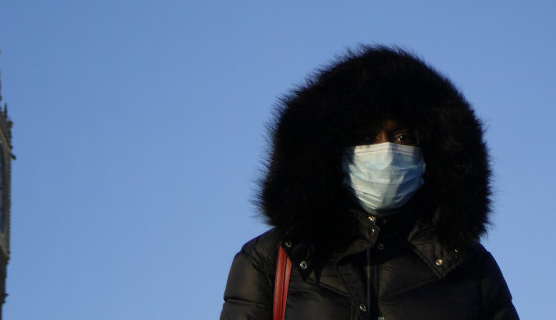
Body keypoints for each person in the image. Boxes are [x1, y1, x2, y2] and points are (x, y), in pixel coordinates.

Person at [220, 46, 518, 319]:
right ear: (330, 153)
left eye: (402, 137)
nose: (386, 151)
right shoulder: (271, 260)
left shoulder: (469, 267)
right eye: (365, 137)